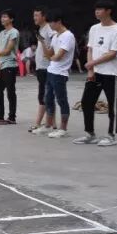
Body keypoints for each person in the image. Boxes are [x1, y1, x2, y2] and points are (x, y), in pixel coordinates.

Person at [75, 0, 117, 147]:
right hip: (95, 73)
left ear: (108, 11)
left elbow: (112, 53)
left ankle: (111, 135)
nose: (97, 12)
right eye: (96, 9)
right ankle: (90, 134)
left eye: (100, 9)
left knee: (112, 104)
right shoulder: (94, 28)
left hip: (111, 73)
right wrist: (91, 70)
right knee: (86, 102)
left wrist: (92, 63)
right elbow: (90, 49)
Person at [40, 10, 75, 139]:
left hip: (60, 73)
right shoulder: (55, 36)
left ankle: (63, 128)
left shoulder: (68, 36)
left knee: (61, 100)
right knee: (48, 99)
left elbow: (58, 56)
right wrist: (42, 42)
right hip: (51, 70)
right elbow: (49, 54)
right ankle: (48, 125)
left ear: (59, 22)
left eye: (52, 23)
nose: (50, 26)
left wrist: (51, 57)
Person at [0, 10, 19, 125]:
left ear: (11, 19)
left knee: (10, 91)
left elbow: (7, 50)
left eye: (5, 17)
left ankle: (12, 118)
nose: (2, 19)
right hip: (2, 65)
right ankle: (0, 116)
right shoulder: (2, 33)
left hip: (10, 64)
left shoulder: (14, 32)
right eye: (2, 17)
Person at [29, 8, 55, 134]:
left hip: (46, 67)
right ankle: (52, 124)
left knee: (44, 96)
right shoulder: (41, 29)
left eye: (37, 15)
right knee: (46, 95)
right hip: (41, 67)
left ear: (44, 16)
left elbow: (55, 42)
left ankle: (39, 123)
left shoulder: (49, 28)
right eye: (34, 15)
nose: (34, 18)